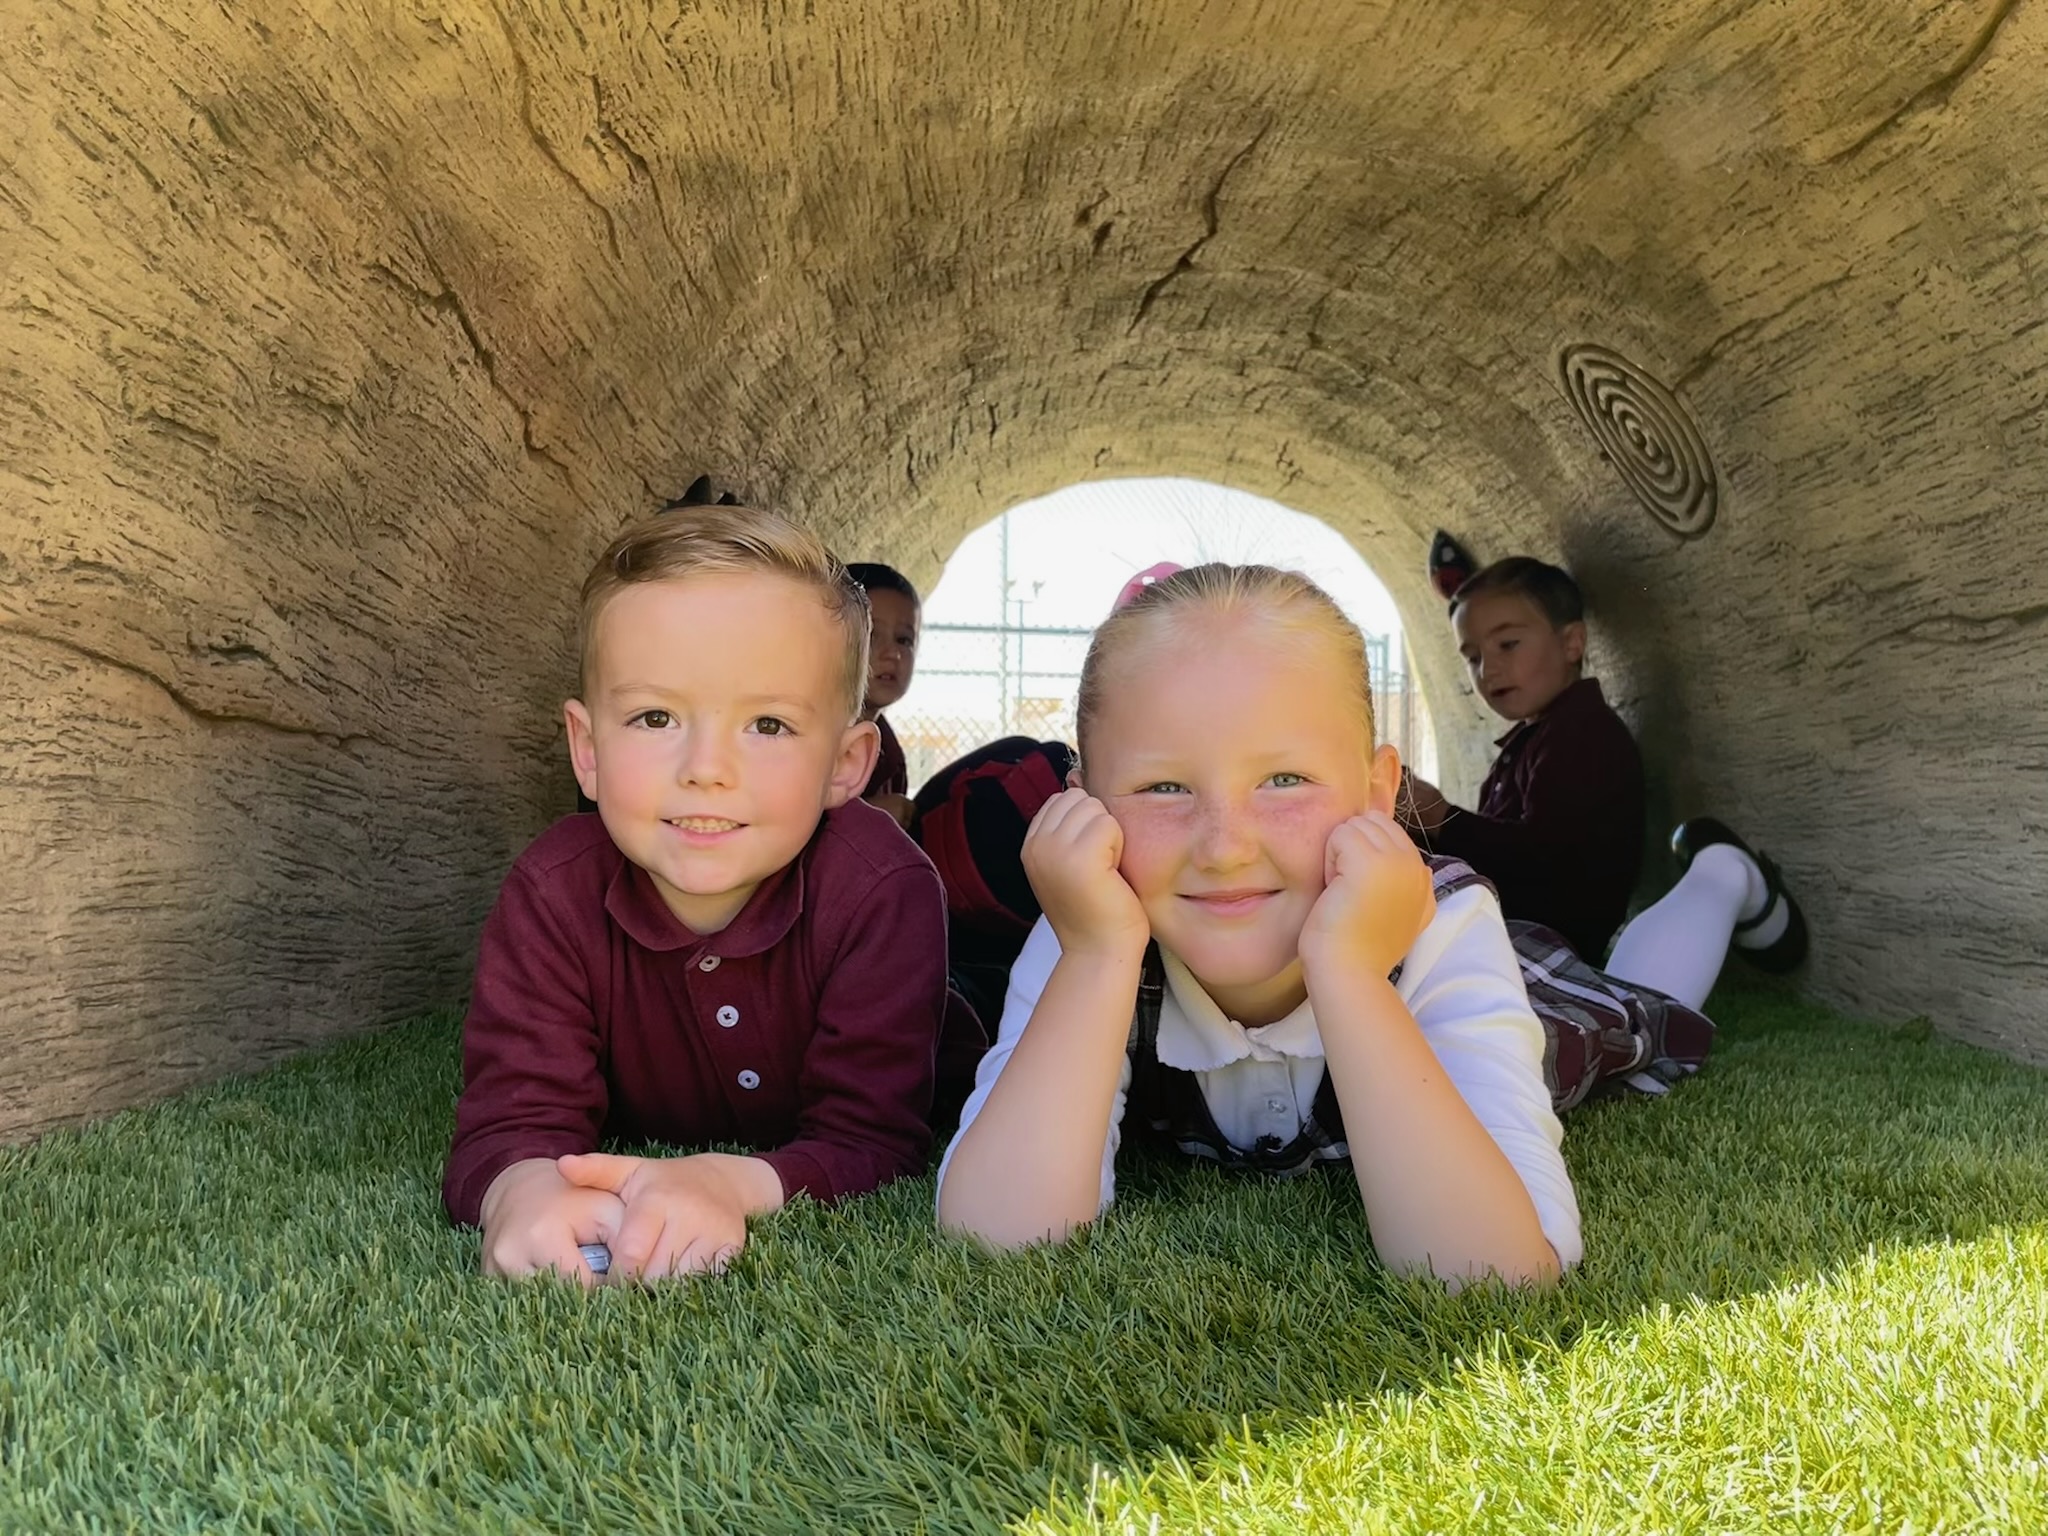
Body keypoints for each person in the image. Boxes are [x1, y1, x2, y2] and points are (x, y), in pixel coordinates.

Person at [936, 562, 1782, 1285]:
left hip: (1477, 973)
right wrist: (1094, 958)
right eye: (1164, 788)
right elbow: (998, 1237)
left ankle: (1721, 876)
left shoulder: (1445, 930)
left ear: (1379, 793)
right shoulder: (1096, 922)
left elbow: (1496, 1271)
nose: (1226, 848)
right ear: (1084, 804)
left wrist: (1346, 975)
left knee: (1628, 1007)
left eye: (1286, 780)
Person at [443, 505, 977, 1284]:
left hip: (950, 1046)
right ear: (587, 752)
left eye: (767, 725)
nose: (706, 768)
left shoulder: (882, 888)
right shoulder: (552, 893)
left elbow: (873, 1139)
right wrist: (519, 1189)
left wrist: (728, 1182)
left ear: (847, 762)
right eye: (656, 717)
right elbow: (513, 1120)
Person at [1400, 556, 1804, 972]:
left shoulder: (1582, 735)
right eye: (1472, 656)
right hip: (1511, 942)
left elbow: (1541, 867)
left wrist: (1442, 819)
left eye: (1508, 644)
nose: (1489, 669)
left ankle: (1726, 878)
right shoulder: (1530, 742)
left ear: (1572, 643)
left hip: (1547, 952)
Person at [844, 562, 921, 830]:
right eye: (873, 635)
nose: (893, 653)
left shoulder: (890, 757)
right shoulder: (796, 735)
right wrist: (865, 817)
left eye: (904, 640)